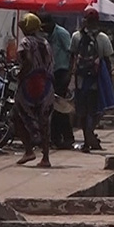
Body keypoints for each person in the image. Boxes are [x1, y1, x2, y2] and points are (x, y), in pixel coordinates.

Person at [71, 9, 114, 153]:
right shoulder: (103, 38)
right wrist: (109, 81)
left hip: (80, 80)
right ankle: (90, 134)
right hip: (96, 81)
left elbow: (71, 58)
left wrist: (70, 78)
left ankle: (87, 140)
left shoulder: (76, 36)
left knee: (82, 111)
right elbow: (107, 60)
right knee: (98, 109)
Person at [12, 14, 55, 168]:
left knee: (16, 116)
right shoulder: (45, 42)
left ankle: (29, 150)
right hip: (47, 85)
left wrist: (20, 74)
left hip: (31, 84)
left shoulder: (25, 42)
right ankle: (46, 157)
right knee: (45, 122)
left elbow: (28, 61)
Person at [41, 14, 75, 149]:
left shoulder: (61, 33)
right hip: (50, 73)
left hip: (62, 72)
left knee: (59, 106)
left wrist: (69, 73)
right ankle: (56, 138)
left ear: (50, 23)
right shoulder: (46, 36)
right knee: (51, 106)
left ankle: (67, 137)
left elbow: (71, 53)